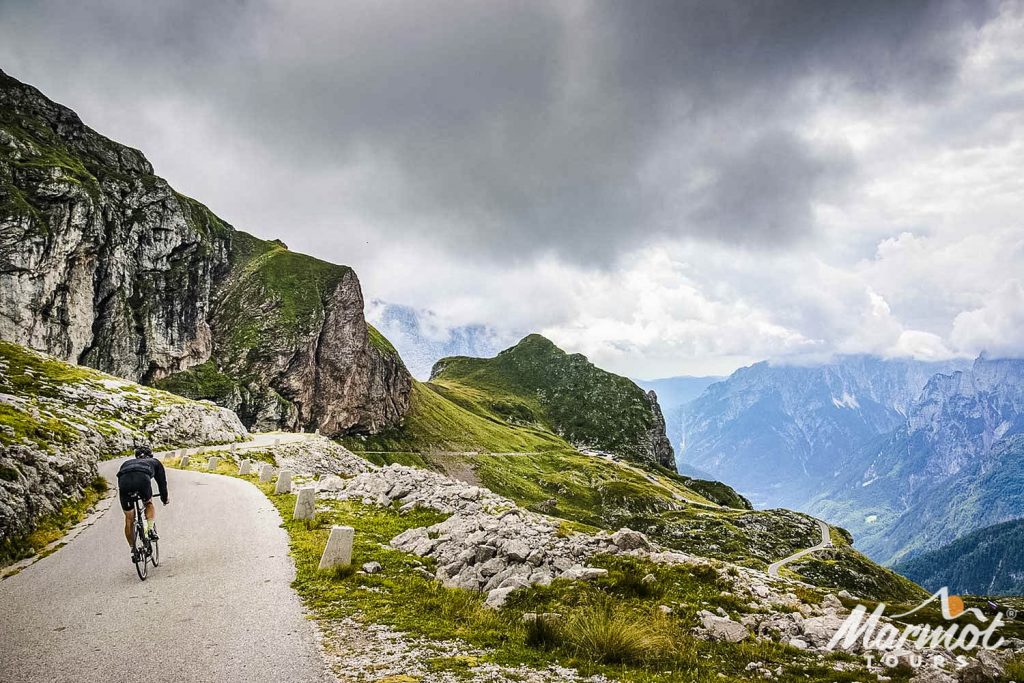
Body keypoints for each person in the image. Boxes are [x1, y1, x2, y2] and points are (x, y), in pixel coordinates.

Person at [117, 445, 169, 560]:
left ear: (136, 456)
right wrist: (164, 498)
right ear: (151, 455)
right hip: (142, 478)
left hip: (124, 482)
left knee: (129, 518)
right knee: (148, 503)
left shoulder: (127, 462)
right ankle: (150, 529)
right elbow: (162, 483)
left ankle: (133, 549)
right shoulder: (154, 462)